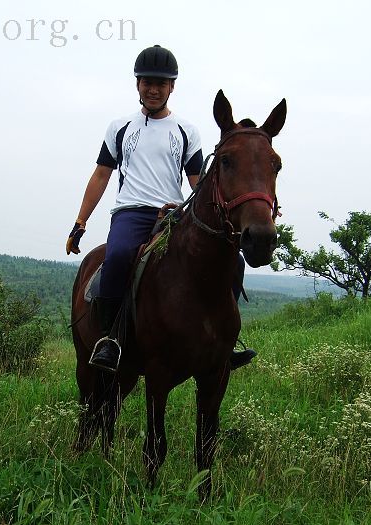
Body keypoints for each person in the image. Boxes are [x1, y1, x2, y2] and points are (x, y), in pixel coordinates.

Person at [66, 44, 256, 373]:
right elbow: (101, 175)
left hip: (174, 214)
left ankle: (224, 343)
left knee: (234, 261)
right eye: (147, 82)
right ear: (137, 84)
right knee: (119, 256)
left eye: (161, 83)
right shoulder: (120, 127)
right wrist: (80, 221)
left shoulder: (186, 131)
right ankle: (110, 340)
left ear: (172, 87)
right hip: (131, 212)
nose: (153, 89)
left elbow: (198, 183)